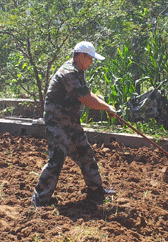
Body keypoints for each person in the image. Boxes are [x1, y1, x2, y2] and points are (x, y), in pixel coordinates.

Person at [32, 41, 117, 208]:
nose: (92, 62)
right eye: (90, 59)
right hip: (57, 121)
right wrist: (106, 108)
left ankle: (95, 189)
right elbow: (85, 99)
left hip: (70, 119)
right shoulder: (68, 73)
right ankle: (40, 199)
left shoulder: (78, 71)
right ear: (81, 56)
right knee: (57, 158)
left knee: (84, 152)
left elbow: (87, 93)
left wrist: (106, 106)